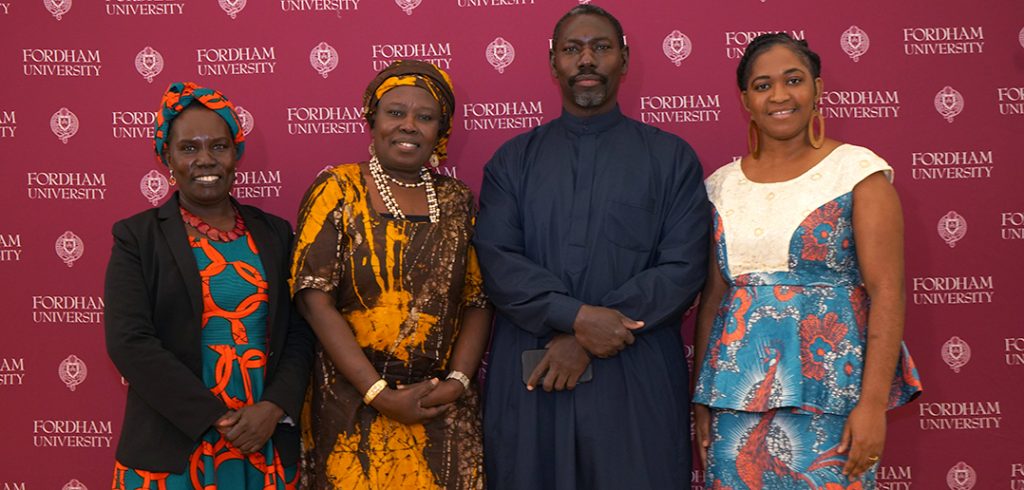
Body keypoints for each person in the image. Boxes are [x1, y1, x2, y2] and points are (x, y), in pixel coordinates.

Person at [474, 6, 710, 490]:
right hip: (533, 375)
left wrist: (587, 333)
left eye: (601, 48)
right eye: (572, 49)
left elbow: (683, 267)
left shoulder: (671, 158)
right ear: (552, 63)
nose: (587, 60)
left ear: (623, 60)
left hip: (635, 373)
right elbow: (498, 262)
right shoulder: (512, 161)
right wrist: (577, 317)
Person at [691, 33, 923, 489]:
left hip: (833, 395)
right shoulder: (719, 186)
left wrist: (872, 405)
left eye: (793, 80)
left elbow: (887, 292)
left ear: (817, 89)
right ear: (745, 100)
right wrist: (701, 400)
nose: (779, 95)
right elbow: (714, 298)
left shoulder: (858, 172)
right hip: (734, 398)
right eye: (762, 85)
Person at [290, 60, 492, 489]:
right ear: (372, 120)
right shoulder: (338, 188)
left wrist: (456, 384)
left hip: (442, 412)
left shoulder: (456, 200)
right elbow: (313, 298)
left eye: (425, 117)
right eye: (395, 113)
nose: (409, 126)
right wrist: (379, 394)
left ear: (442, 130)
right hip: (352, 409)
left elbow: (477, 299)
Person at [105, 82, 314, 489]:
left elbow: (300, 332)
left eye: (218, 146)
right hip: (174, 439)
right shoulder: (137, 237)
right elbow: (129, 341)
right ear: (167, 156)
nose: (206, 159)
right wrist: (216, 418)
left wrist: (272, 408)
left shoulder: (276, 233)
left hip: (264, 437)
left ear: (236, 153)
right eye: (189, 148)